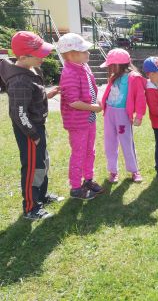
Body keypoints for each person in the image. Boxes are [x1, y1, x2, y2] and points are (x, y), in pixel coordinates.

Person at [0, 31, 63, 220]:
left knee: (43, 162)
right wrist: (33, 134)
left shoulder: (33, 69)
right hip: (29, 131)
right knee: (32, 167)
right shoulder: (19, 81)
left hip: (37, 127)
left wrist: (47, 95)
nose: (44, 57)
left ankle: (41, 196)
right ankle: (31, 207)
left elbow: (34, 94)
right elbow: (18, 113)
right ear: (23, 56)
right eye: (39, 53)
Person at [58, 33, 104, 200]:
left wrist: (97, 102)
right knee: (79, 152)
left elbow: (92, 89)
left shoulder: (83, 66)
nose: (88, 53)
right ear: (70, 54)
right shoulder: (70, 72)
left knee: (89, 151)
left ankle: (88, 180)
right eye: (83, 50)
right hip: (77, 122)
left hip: (89, 119)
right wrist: (94, 107)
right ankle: (76, 187)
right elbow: (72, 101)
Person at [100, 48, 146, 183]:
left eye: (111, 65)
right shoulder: (114, 77)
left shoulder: (134, 77)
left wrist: (139, 115)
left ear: (118, 65)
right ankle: (113, 171)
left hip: (123, 115)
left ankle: (134, 170)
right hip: (109, 113)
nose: (109, 68)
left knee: (126, 142)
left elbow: (140, 98)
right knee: (110, 142)